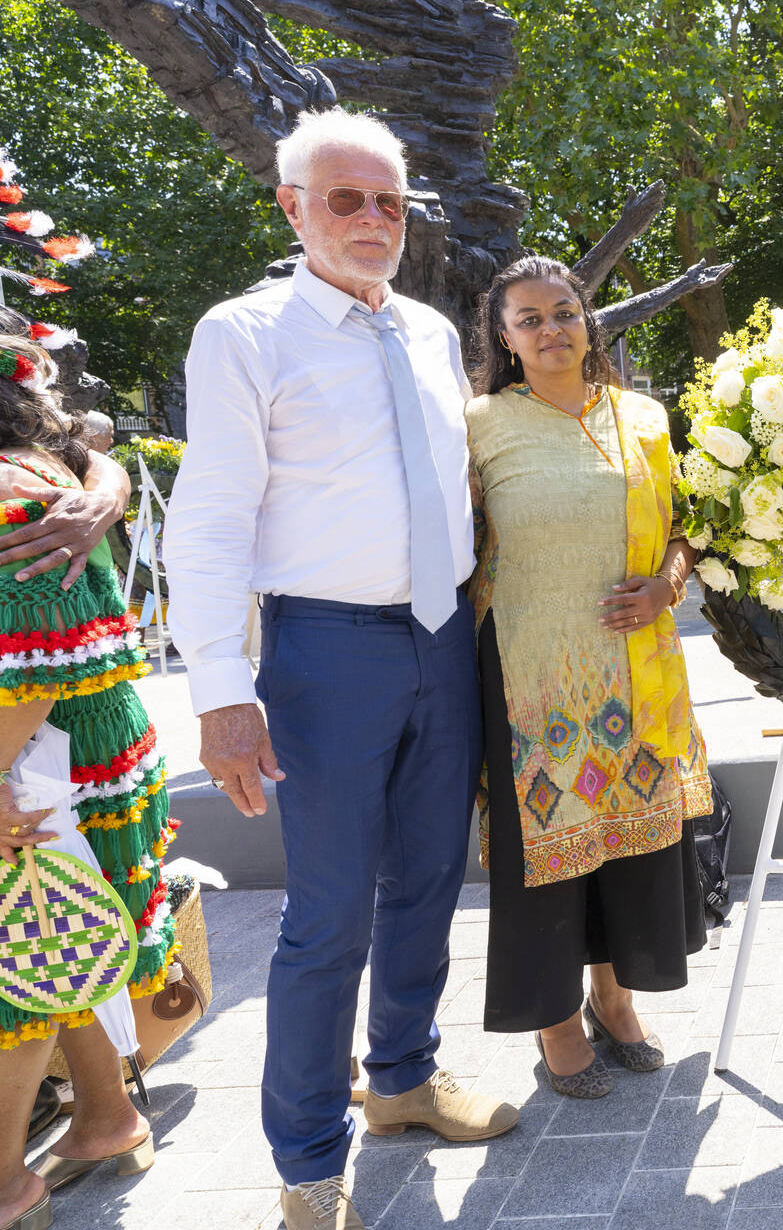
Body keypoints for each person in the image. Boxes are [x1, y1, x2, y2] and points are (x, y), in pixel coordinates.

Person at [166, 108, 515, 1230]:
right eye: (346, 199)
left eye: (390, 202)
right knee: (328, 915)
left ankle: (402, 1074)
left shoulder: (426, 329)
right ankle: (310, 1161)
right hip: (322, 653)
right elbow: (212, 515)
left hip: (438, 638)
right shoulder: (244, 332)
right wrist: (219, 686)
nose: (373, 221)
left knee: (427, 879)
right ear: (292, 207)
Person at [464, 257, 711, 1097]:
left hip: (637, 672)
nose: (551, 330)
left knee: (630, 849)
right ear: (503, 337)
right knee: (548, 856)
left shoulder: (642, 415)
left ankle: (614, 998)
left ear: (588, 320)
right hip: (531, 680)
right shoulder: (480, 424)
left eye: (564, 312)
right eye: (528, 319)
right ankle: (555, 1022)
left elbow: (685, 529)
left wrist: (668, 585)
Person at [0, 324, 163, 1230]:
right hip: (69, 742)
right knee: (51, 930)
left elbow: (34, 653)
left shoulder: (10, 483)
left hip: (36, 749)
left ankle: (9, 1185)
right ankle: (104, 1116)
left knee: (21, 953)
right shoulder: (36, 462)